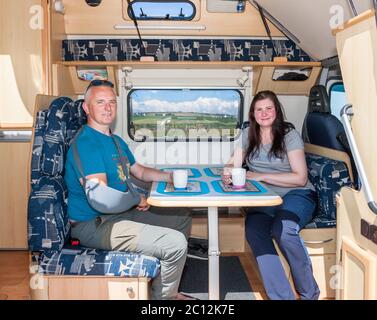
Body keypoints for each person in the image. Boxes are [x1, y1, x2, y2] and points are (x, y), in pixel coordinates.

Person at [64, 80, 193, 300]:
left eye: (112, 102)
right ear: (86, 107)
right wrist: (137, 199)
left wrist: (170, 175)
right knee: (176, 243)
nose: (108, 107)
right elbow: (101, 199)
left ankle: (164, 282)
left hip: (118, 213)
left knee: (182, 217)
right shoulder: (87, 143)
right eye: (101, 102)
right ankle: (165, 299)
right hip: (95, 224)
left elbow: (139, 171)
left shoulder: (115, 141)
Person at [222, 90, 320, 300]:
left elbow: (300, 178)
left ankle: (309, 294)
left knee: (283, 229)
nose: (264, 113)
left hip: (297, 194)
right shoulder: (249, 135)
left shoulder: (289, 135)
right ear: (253, 114)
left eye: (268, 108)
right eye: (259, 109)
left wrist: (259, 175)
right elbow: (233, 162)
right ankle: (282, 297)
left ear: (277, 111)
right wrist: (229, 171)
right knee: (254, 229)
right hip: (265, 197)